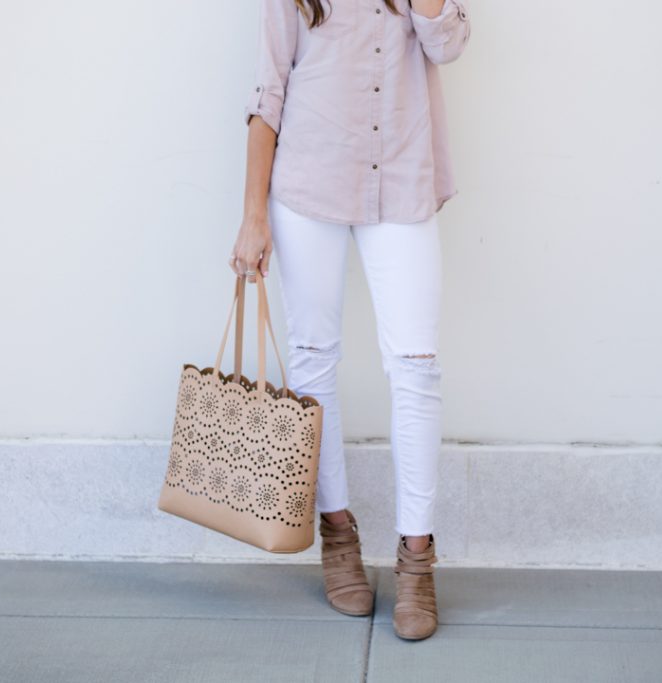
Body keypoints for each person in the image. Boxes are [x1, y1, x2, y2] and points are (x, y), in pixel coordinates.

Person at [230, 0, 470, 641]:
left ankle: (416, 560)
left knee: (417, 367)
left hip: (402, 178)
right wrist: (254, 213)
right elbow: (268, 88)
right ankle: (337, 535)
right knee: (313, 358)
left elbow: (448, 45)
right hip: (307, 182)